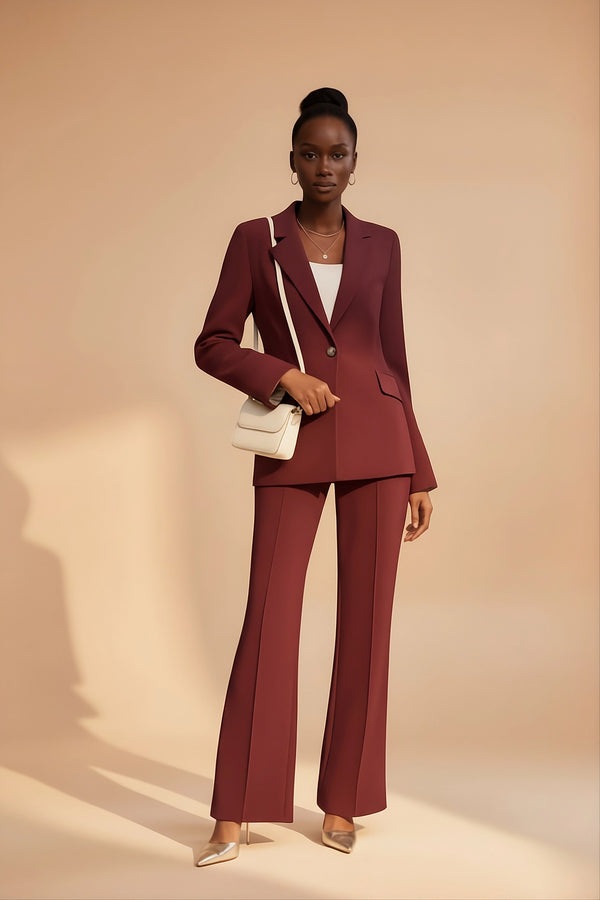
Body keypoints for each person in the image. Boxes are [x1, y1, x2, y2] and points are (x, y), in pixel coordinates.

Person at [193, 87, 437, 867]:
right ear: (292, 159)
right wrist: (282, 376)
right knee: (269, 619)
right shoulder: (256, 240)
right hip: (295, 441)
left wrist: (421, 469)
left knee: (367, 626)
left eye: (338, 154)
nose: (324, 166)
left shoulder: (384, 244)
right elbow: (214, 341)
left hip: (380, 444)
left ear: (355, 164)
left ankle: (343, 802)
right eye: (310, 152)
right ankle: (235, 811)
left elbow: (393, 359)